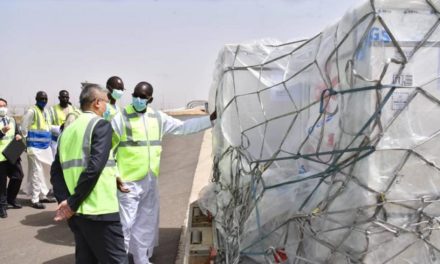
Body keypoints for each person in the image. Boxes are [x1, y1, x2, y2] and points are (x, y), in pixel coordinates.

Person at [112, 81, 216, 264]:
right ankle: (118, 260)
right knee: (124, 225)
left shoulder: (157, 117)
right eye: (135, 95)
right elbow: (107, 150)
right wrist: (115, 175)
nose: (138, 99)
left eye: (142, 97)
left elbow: (183, 128)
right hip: (128, 182)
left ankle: (141, 259)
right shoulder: (121, 118)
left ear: (150, 99)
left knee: (145, 222)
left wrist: (211, 120)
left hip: (149, 179)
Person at [50, 84, 128, 264]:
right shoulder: (100, 125)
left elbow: (56, 171)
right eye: (106, 102)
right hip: (100, 210)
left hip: (77, 214)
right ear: (97, 103)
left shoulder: (67, 130)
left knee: (86, 260)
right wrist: (71, 203)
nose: (108, 106)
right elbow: (94, 168)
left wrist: (65, 200)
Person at [21, 91, 56, 209]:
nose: (44, 101)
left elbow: (48, 127)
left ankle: (43, 195)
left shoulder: (46, 112)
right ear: (36, 99)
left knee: (47, 170)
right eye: (41, 98)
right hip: (34, 147)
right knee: (36, 172)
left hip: (45, 147)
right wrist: (26, 144)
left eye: (46, 99)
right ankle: (35, 199)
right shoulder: (32, 111)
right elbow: (23, 128)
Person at [0, 98, 24, 218]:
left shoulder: (12, 120)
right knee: (1, 183)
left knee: (18, 176)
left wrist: (18, 135)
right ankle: (2, 206)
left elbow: (17, 132)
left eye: (4, 106)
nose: (2, 108)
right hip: (0, 158)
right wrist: (2, 132)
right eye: (0, 106)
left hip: (12, 153)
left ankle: (11, 199)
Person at [48, 90, 77, 156]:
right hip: (56, 141)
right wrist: (58, 128)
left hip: (70, 140)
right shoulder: (52, 110)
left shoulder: (74, 109)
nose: (65, 99)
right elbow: (48, 125)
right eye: (63, 97)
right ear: (59, 98)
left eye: (66, 97)